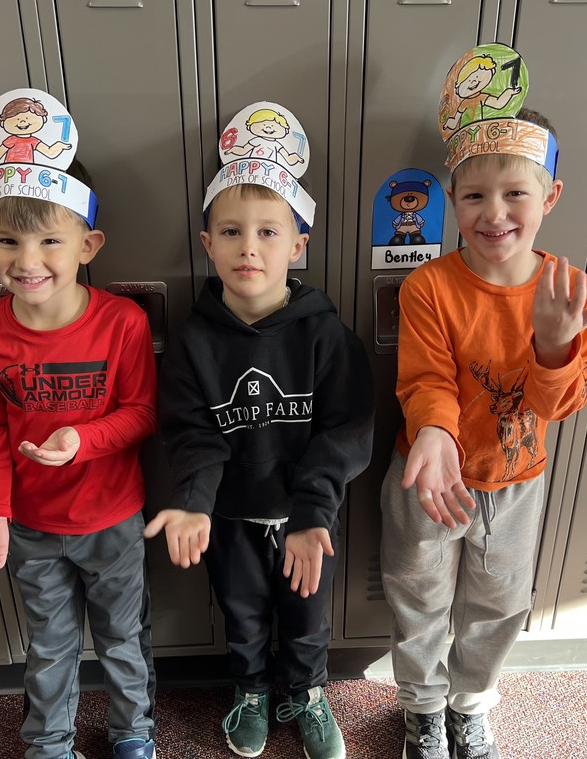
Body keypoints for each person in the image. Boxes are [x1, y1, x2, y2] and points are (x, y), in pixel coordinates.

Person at [381, 105, 587, 758]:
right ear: (451, 199)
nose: (495, 212)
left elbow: (558, 408)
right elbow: (428, 378)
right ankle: (424, 709)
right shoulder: (430, 286)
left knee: (499, 603)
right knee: (419, 593)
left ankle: (471, 703)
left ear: (550, 197)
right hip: (430, 478)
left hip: (515, 485)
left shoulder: (569, 290)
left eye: (516, 193)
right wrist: (433, 433)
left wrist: (554, 346)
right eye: (475, 195)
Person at [144, 102, 374, 759]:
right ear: (207, 243)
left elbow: (346, 431)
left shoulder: (324, 333)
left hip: (308, 517)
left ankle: (303, 690)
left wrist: (311, 510)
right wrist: (193, 501)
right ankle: (248, 688)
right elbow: (192, 433)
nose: (250, 246)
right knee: (241, 612)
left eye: (269, 232)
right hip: (230, 518)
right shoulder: (193, 342)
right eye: (232, 231)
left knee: (306, 617)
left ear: (298, 244)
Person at [0, 139, 158, 758]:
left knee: (124, 637)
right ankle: (48, 742)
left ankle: (134, 732)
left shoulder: (123, 323)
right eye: (8, 241)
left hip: (112, 518)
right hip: (32, 526)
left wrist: (83, 441)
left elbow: (143, 413)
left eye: (49, 241)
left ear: (88, 245)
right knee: (49, 641)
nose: (27, 260)